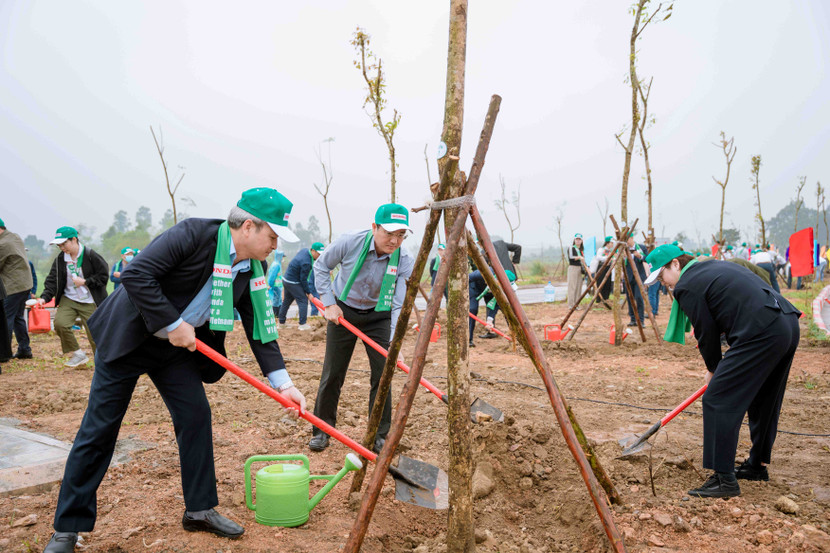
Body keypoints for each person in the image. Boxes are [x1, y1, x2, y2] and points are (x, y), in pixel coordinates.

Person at [41, 188, 307, 553]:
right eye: (273, 237)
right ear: (248, 227)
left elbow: (261, 330)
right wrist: (173, 321)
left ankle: (199, 509)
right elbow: (136, 276)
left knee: (195, 415)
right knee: (99, 429)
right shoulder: (194, 235)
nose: (275, 246)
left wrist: (284, 384)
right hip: (130, 338)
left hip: (175, 350)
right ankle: (67, 529)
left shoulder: (250, 270)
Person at [644, 245, 799, 499]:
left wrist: (714, 369)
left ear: (675, 264)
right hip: (786, 322)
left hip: (760, 330)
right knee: (764, 396)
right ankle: (756, 466)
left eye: (662, 276)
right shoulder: (711, 266)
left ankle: (723, 479)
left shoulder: (687, 284)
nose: (663, 284)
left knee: (717, 398)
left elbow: (706, 331)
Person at [310, 204, 414, 453]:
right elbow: (321, 267)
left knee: (383, 376)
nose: (394, 240)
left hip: (379, 316)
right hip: (343, 312)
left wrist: (394, 342)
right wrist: (329, 304)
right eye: (389, 233)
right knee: (333, 373)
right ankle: (322, 429)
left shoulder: (405, 259)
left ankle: (379, 435)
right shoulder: (350, 242)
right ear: (374, 227)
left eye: (401, 234)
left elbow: (398, 304)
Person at [37, 227, 109, 368]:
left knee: (95, 334)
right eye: (59, 245)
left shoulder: (90, 255)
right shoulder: (60, 260)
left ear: (74, 239)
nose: (62, 248)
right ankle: (78, 354)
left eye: (64, 244)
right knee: (60, 324)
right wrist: (44, 298)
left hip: (90, 300)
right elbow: (52, 280)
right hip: (69, 298)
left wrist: (86, 282)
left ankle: (102, 364)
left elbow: (103, 276)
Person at [0, 218, 34, 363]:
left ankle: (3, 354)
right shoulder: (14, 236)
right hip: (25, 284)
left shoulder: (3, 244)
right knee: (18, 317)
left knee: (5, 318)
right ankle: (24, 349)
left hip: (13, 286)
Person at [278, 241, 324, 330]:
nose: (319, 256)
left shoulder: (305, 251)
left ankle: (281, 323)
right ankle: (302, 324)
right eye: (318, 254)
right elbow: (303, 280)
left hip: (287, 279)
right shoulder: (306, 263)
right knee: (303, 300)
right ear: (313, 251)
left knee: (287, 301)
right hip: (293, 282)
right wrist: (308, 292)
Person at [469, 268, 516, 346]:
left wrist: (489, 320)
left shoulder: (503, 287)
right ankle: (468, 339)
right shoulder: (483, 273)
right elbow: (466, 278)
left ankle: (515, 336)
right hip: (474, 289)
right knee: (473, 309)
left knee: (507, 309)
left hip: (490, 292)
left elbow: (495, 304)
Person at [624, 234, 648, 326]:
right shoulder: (624, 249)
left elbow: (647, 258)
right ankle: (633, 319)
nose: (627, 242)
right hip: (628, 277)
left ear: (632, 238)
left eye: (627, 239)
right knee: (630, 298)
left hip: (639, 276)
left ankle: (641, 320)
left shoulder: (641, 247)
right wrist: (623, 256)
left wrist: (639, 256)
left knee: (639, 297)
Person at [566, 234, 585, 309]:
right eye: (576, 239)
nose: (578, 241)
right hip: (573, 268)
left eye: (579, 239)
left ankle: (577, 304)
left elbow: (583, 259)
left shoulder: (581, 250)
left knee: (578, 287)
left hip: (579, 269)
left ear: (581, 241)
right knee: (572, 286)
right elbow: (571, 257)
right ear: (574, 240)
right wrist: (579, 257)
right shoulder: (571, 248)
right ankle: (571, 305)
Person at [266, 250, 285, 319]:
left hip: (278, 286)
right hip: (276, 286)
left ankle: (278, 315)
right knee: (276, 301)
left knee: (278, 301)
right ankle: (276, 315)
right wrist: (270, 284)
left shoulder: (277, 264)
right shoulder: (276, 265)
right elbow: (272, 276)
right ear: (280, 256)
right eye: (282, 257)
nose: (283, 258)